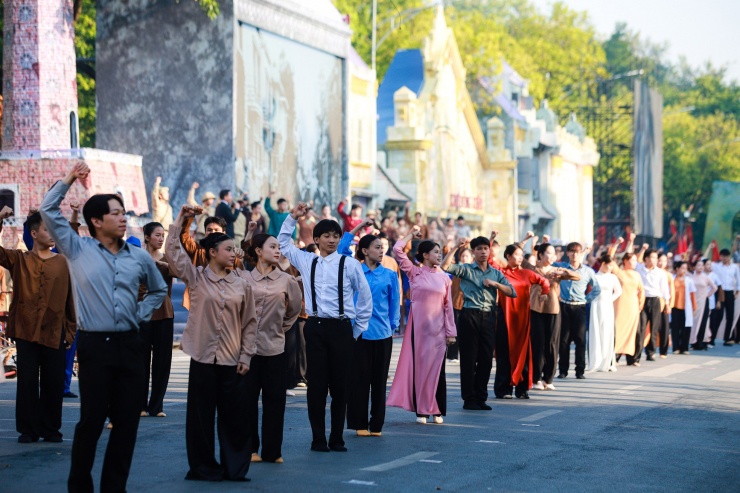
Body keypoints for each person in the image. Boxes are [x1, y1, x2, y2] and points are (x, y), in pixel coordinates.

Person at [40, 163, 167, 493]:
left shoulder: (138, 257)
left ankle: (115, 488)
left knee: (126, 424)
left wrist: (139, 315)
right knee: (92, 421)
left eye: (124, 212)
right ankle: (79, 486)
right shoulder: (76, 248)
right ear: (96, 221)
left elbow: (158, 290)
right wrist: (70, 178)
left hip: (130, 345)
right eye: (115, 213)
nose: (123, 218)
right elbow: (47, 208)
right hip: (95, 346)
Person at [166, 211, 258, 482]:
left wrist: (246, 356)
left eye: (234, 249)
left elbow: (250, 323)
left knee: (235, 420)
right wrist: (181, 220)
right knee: (200, 420)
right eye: (228, 249)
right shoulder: (195, 278)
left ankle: (235, 469)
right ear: (212, 253)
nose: (234, 254)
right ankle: (203, 468)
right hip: (202, 357)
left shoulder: (242, 284)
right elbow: (172, 251)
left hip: (233, 360)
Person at [278, 202, 372, 452]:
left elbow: (364, 297)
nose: (331, 240)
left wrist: (356, 330)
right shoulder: (307, 260)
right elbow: (283, 244)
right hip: (316, 326)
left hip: (342, 328)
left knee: (341, 385)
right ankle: (318, 437)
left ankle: (337, 437)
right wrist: (292, 217)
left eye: (335, 236)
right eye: (326, 236)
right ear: (316, 239)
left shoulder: (349, 264)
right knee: (317, 385)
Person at [0, 208, 76, 443]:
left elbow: (71, 300)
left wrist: (71, 331)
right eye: (46, 229)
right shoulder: (19, 259)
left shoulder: (64, 262)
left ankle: (51, 428)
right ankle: (28, 430)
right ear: (34, 233)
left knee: (54, 383)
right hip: (25, 331)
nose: (51, 233)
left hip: (55, 331)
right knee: (27, 383)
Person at [241, 233, 302, 463]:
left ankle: (273, 451)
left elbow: (294, 309)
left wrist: (279, 327)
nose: (278, 251)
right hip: (247, 350)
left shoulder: (286, 280)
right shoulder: (245, 278)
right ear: (258, 250)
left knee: (275, 402)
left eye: (279, 247)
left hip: (276, 348)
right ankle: (250, 449)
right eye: (272, 247)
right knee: (247, 402)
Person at [387, 227, 456, 423]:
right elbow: (398, 250)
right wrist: (410, 235)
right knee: (421, 370)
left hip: (439, 331)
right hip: (419, 331)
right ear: (424, 255)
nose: (439, 255)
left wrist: (451, 332)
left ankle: (437, 410)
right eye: (435, 252)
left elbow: (448, 306)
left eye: (440, 252)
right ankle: (422, 411)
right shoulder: (414, 273)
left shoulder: (444, 278)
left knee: (438, 371)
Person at [442, 236, 515, 410]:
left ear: (489, 251)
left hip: (489, 316)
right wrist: (455, 248)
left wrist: (496, 284)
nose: (483, 252)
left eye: (485, 248)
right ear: (473, 252)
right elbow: (445, 266)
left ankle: (481, 397)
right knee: (468, 359)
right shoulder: (467, 269)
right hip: (470, 315)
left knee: (486, 359)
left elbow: (512, 292)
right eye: (479, 249)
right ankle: (469, 399)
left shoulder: (496, 273)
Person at [346, 234, 400, 436]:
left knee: (379, 382)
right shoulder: (354, 270)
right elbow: (342, 249)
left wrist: (392, 326)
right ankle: (359, 424)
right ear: (365, 250)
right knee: (358, 381)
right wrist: (357, 229)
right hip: (358, 334)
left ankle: (376, 424)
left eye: (382, 247)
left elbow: (395, 302)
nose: (381, 250)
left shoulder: (389, 274)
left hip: (383, 334)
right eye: (376, 247)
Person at [495, 244, 550, 399]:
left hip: (523, 320)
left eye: (521, 255)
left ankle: (522, 389)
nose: (520, 257)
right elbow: (490, 261)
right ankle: (503, 389)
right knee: (504, 354)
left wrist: (544, 293)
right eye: (517, 254)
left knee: (524, 355)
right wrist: (491, 241)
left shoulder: (527, 273)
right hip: (505, 318)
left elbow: (544, 282)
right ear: (508, 256)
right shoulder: (500, 273)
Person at [526, 243, 579, 390]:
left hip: (553, 310)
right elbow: (518, 256)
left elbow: (577, 276)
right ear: (541, 255)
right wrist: (527, 240)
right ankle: (536, 378)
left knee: (552, 343)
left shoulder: (557, 270)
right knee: (537, 344)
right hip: (535, 309)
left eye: (553, 253)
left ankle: (548, 379)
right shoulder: (533, 269)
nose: (552, 255)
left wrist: (562, 273)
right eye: (548, 252)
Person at [140, 222, 175, 417]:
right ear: (146, 237)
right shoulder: (137, 257)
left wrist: (165, 265)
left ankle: (157, 405)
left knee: (162, 361)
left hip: (164, 313)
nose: (161, 238)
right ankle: (140, 405)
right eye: (157, 235)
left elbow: (180, 274)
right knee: (141, 360)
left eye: (163, 235)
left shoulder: (166, 258)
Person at [554, 242, 600, 379]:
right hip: (564, 306)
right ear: (567, 253)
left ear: (581, 254)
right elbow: (545, 267)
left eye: (577, 252)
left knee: (580, 340)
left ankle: (580, 371)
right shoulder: (560, 267)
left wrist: (587, 299)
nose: (574, 254)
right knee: (564, 340)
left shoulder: (588, 271)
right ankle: (563, 370)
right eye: (572, 251)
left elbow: (597, 288)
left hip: (580, 306)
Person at [587, 255, 622, 372]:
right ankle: (595, 362)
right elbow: (589, 291)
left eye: (613, 265)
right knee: (595, 331)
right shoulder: (595, 276)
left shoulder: (613, 277)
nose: (611, 267)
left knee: (607, 332)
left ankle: (608, 362)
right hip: (595, 306)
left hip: (607, 306)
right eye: (610, 265)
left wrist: (609, 300)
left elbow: (618, 291)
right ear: (603, 264)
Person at [635, 249, 671, 360]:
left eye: (656, 258)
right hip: (643, 300)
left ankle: (650, 353)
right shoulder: (639, 269)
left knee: (654, 328)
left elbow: (665, 289)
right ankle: (637, 354)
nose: (655, 260)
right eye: (652, 257)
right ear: (646, 258)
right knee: (641, 328)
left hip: (655, 300)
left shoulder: (660, 272)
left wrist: (667, 303)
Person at [612, 252, 646, 366]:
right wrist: (616, 246)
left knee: (634, 331)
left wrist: (641, 304)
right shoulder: (620, 273)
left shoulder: (637, 275)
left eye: (636, 260)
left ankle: (633, 359)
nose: (634, 263)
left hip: (633, 306)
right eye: (632, 260)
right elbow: (611, 259)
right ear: (625, 261)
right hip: (620, 306)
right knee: (619, 329)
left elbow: (642, 290)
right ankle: (615, 357)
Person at [712, 248, 740, 345]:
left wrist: (737, 292)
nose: (724, 258)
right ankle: (712, 338)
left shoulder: (734, 267)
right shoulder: (717, 266)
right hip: (720, 292)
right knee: (718, 316)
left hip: (730, 292)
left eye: (726, 256)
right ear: (720, 257)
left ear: (729, 257)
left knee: (730, 316)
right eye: (722, 256)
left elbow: (738, 279)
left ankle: (727, 338)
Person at [690, 259, 718, 350]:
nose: (701, 267)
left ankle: (702, 344)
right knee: (694, 323)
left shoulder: (706, 277)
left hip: (704, 302)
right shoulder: (691, 277)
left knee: (703, 323)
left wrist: (707, 295)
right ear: (694, 267)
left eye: (702, 265)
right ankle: (694, 343)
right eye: (698, 265)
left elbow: (714, 288)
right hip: (694, 302)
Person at [671, 261, 697, 354]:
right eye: (682, 268)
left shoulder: (689, 280)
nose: (684, 270)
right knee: (675, 328)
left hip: (686, 307)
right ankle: (676, 348)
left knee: (686, 328)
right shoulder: (672, 278)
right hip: (674, 306)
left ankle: (685, 348)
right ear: (677, 268)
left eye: (686, 268)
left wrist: (694, 308)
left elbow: (692, 295)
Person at [704, 259, 725, 347]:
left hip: (711, 301)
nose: (709, 266)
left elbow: (719, 288)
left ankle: (711, 340)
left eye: (710, 264)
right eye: (707, 264)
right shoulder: (699, 275)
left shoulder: (714, 276)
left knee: (713, 322)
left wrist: (719, 301)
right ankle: (703, 339)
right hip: (701, 301)